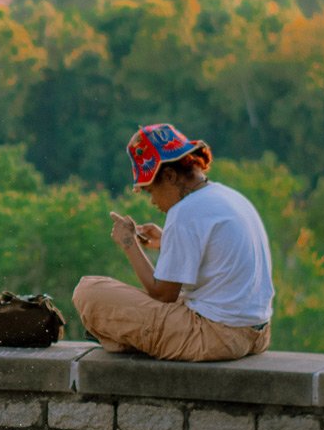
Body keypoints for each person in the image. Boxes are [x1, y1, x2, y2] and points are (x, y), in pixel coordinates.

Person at [72, 124, 273, 362]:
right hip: (256, 334)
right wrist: (166, 241)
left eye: (150, 191)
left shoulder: (184, 211)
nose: (153, 201)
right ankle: (123, 338)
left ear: (169, 176)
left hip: (215, 337)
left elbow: (162, 295)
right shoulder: (228, 196)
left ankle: (120, 338)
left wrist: (129, 244)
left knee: (88, 291)